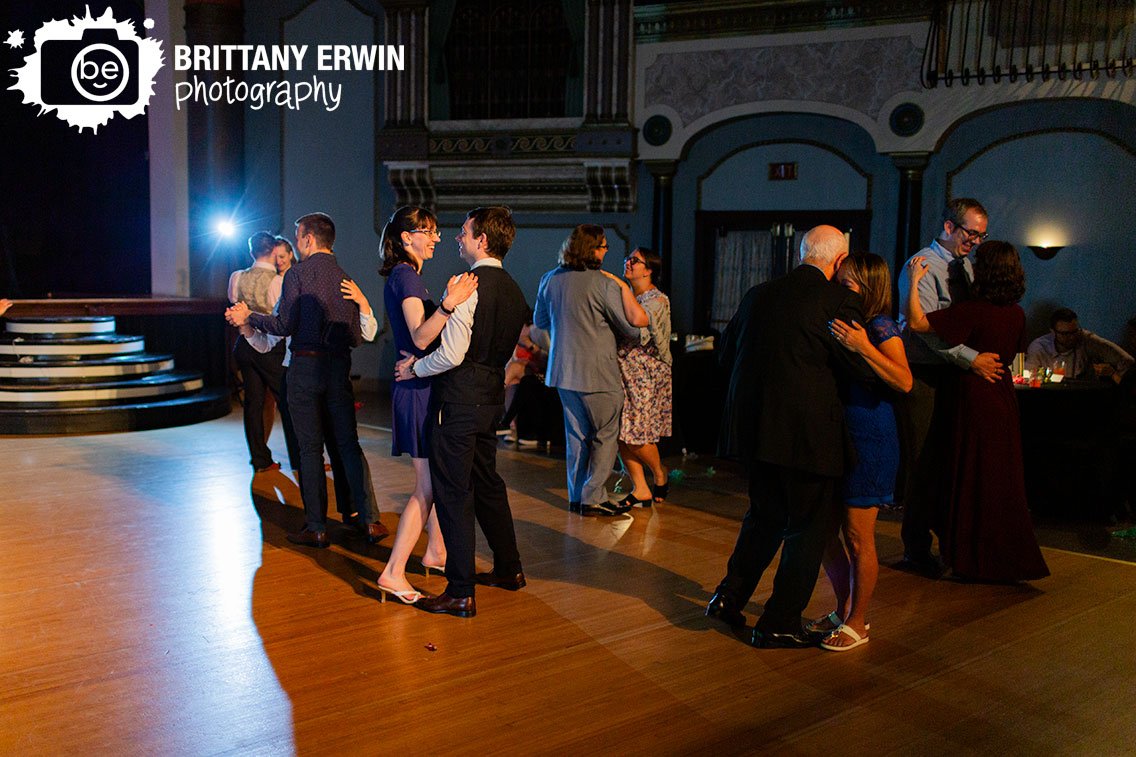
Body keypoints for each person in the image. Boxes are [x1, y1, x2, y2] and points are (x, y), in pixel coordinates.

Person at [706, 225, 874, 649]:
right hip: (808, 435)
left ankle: (728, 597)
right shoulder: (839, 301)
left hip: (755, 431)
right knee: (807, 528)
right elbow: (857, 369)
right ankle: (780, 620)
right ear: (839, 263)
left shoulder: (756, 294)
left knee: (763, 517)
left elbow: (726, 354)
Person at [394, 206, 529, 618]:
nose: (456, 238)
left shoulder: (467, 286)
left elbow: (451, 354)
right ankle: (509, 570)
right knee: (488, 484)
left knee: (453, 492)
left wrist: (415, 367)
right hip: (491, 399)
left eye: (464, 233)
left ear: (482, 240)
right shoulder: (514, 290)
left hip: (458, 401)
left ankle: (460, 590)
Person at [228, 212, 387, 549]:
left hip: (305, 370)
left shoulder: (297, 274)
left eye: (298, 237)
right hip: (338, 370)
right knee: (347, 444)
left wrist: (248, 317)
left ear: (308, 239)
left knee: (310, 449)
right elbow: (357, 337)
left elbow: (283, 324)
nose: (296, 244)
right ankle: (369, 520)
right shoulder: (345, 277)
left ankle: (316, 526)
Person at [906, 241, 1050, 582]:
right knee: (1000, 480)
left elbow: (916, 322)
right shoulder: (1016, 313)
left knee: (969, 476)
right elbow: (1014, 355)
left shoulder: (973, 310)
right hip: (1002, 397)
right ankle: (1003, 558)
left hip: (973, 398)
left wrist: (914, 281)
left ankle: (970, 556)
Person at [371, 206, 478, 603]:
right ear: (405, 238)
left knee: (432, 479)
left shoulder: (408, 276)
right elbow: (419, 338)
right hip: (416, 391)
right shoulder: (406, 276)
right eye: (427, 232)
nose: (435, 238)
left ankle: (435, 552)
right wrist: (450, 304)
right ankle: (394, 571)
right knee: (428, 486)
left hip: (419, 387)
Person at [896, 198, 1004, 578]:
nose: (975, 241)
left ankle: (952, 543)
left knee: (948, 462)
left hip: (953, 377)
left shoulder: (968, 268)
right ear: (948, 227)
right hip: (925, 374)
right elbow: (925, 331)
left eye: (981, 235)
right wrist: (971, 358)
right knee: (922, 463)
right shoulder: (921, 265)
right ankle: (916, 548)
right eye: (970, 233)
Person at [818, 253, 913, 651]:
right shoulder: (847, 321)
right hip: (840, 436)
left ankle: (859, 620)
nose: (842, 288)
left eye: (850, 282)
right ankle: (843, 609)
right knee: (823, 532)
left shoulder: (880, 325)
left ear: (870, 285)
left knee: (859, 537)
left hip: (871, 437)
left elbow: (904, 381)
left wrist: (864, 347)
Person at [532, 224, 649, 516]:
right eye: (604, 246)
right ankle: (592, 496)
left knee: (576, 438)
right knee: (605, 435)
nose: (606, 251)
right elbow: (630, 330)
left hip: (562, 372)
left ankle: (577, 496)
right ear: (592, 249)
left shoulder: (550, 279)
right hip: (599, 374)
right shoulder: (604, 284)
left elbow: (540, 323)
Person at [614, 247, 672, 509]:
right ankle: (640, 489)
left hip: (645, 375)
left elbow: (638, 323)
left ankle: (659, 472)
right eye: (628, 258)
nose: (628, 263)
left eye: (635, 261)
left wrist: (618, 285)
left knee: (637, 434)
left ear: (648, 270)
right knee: (620, 433)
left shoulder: (658, 300)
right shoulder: (622, 295)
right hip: (621, 371)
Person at [228, 231, 288, 473]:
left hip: (244, 343)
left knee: (253, 403)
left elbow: (234, 302)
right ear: (274, 250)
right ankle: (301, 457)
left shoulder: (237, 277)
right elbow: (279, 317)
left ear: (251, 252)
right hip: (269, 346)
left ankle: (260, 459)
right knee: (286, 399)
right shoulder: (278, 282)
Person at [1025, 307, 1133, 383]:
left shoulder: (1087, 340)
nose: (1071, 337)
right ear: (1053, 332)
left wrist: (1113, 374)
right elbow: (1028, 378)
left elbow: (1127, 361)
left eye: (1074, 332)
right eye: (1065, 334)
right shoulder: (1039, 347)